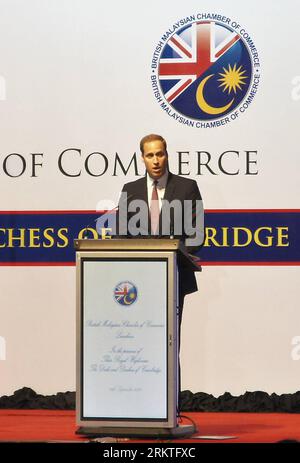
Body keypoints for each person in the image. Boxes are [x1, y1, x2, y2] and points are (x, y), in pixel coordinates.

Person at [116, 133, 204, 407]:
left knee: (168, 341)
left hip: (174, 278)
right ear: (142, 158)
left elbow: (197, 235)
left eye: (160, 153)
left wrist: (177, 252)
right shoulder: (130, 189)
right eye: (150, 155)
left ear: (167, 154)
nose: (156, 160)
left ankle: (169, 405)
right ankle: (137, 402)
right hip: (137, 283)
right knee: (137, 342)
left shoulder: (188, 187)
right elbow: (121, 235)